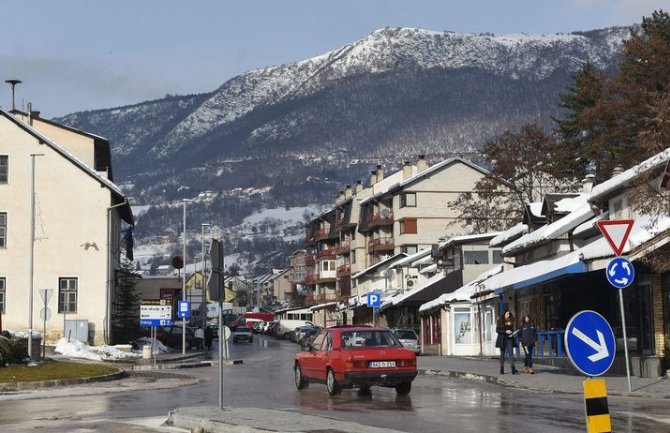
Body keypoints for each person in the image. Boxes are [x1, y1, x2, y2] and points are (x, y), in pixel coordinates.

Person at [496, 309, 518, 375]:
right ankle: (501, 369)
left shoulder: (511, 320)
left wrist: (512, 332)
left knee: (511, 353)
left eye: (509, 314)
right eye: (507, 314)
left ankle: (513, 369)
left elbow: (512, 329)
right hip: (502, 339)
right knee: (502, 354)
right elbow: (497, 330)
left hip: (509, 338)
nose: (508, 315)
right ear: (504, 314)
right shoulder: (500, 320)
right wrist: (505, 331)